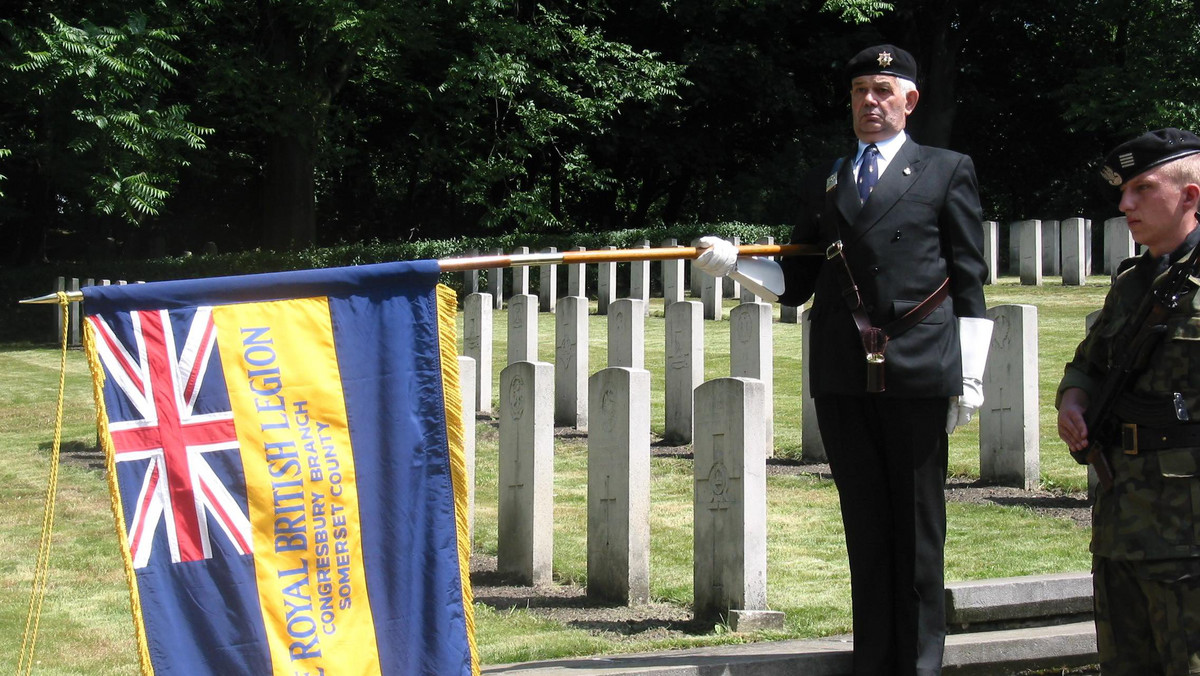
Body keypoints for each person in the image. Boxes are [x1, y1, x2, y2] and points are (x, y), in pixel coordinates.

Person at [694, 44, 991, 676]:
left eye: (884, 90)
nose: (870, 103)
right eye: (860, 91)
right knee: (863, 520)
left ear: (910, 101)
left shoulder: (944, 169)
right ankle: (874, 658)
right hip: (842, 367)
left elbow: (970, 278)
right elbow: (797, 280)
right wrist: (737, 264)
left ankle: (917, 663)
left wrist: (969, 373)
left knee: (915, 525)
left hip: (916, 364)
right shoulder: (828, 178)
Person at [1056, 128, 1200, 675]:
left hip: (1188, 531)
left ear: (1190, 197)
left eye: (1143, 188)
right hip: (1121, 521)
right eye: (1123, 192)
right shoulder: (1135, 281)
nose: (1125, 204)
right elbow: (1090, 362)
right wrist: (1073, 400)